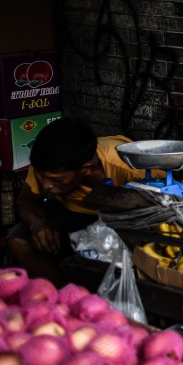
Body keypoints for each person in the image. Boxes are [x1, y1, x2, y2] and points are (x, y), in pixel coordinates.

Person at [6, 118, 148, 282]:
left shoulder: (129, 166)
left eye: (57, 180)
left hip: (124, 221)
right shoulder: (47, 163)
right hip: (73, 214)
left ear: (86, 170)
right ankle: (62, 296)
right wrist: (37, 224)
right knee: (18, 239)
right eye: (43, 177)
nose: (46, 185)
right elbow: (26, 202)